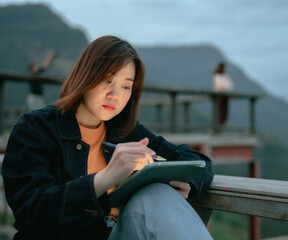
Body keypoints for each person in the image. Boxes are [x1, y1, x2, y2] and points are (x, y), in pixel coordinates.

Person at [2, 36, 214, 240]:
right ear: (86, 75)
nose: (115, 94)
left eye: (126, 86)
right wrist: (105, 178)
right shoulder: (35, 129)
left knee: (157, 192)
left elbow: (198, 161)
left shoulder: (126, 132)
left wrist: (189, 184)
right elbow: (31, 213)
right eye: (107, 79)